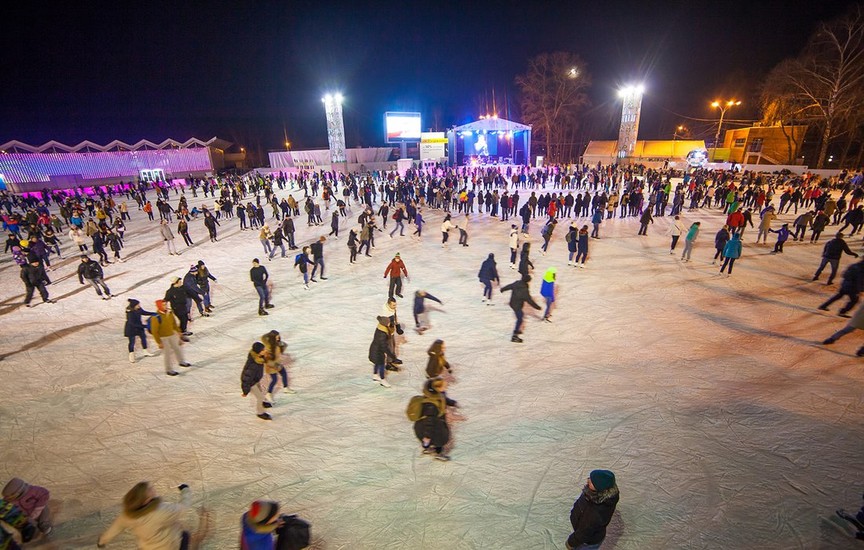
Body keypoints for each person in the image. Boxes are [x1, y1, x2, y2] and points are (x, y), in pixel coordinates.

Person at [97, 482, 204, 549]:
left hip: (147, 547)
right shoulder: (161, 511)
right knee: (185, 534)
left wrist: (102, 541)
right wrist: (185, 490)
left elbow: (115, 529)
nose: (153, 488)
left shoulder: (127, 515)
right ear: (146, 500)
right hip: (170, 545)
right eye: (150, 489)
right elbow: (183, 508)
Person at [565, 470, 620, 550]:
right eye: (589, 478)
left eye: (591, 481)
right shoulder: (592, 493)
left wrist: (571, 542)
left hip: (588, 542)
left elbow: (584, 532)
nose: (588, 480)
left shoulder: (596, 512)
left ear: (599, 487)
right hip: (581, 530)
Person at [411, 377, 456, 461]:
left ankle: (427, 446)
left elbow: (444, 399)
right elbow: (429, 422)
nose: (446, 387)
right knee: (439, 439)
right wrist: (427, 436)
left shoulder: (436, 395)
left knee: (433, 438)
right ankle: (438, 453)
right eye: (443, 386)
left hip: (432, 423)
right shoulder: (431, 406)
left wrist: (452, 403)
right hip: (429, 426)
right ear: (437, 388)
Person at [150, 299, 191, 376]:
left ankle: (181, 361)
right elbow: (154, 331)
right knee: (167, 354)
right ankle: (168, 369)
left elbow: (174, 324)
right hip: (163, 338)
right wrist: (159, 342)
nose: (166, 306)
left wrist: (179, 332)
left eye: (166, 304)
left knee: (177, 348)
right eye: (163, 305)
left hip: (171, 335)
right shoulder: (156, 317)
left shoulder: (170, 313)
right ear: (159, 306)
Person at [501, 274, 542, 343]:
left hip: (512, 303)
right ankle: (514, 336)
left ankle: (517, 331)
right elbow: (530, 301)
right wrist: (537, 307)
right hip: (517, 306)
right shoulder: (525, 291)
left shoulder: (517, 283)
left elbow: (509, 286)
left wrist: (503, 289)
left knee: (521, 316)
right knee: (520, 319)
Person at [241, 341, 273, 420]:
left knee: (261, 391)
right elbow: (246, 378)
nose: (265, 351)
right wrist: (245, 391)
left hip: (255, 380)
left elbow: (266, 359)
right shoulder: (253, 364)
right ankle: (260, 413)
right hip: (251, 383)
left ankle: (263, 402)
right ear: (259, 352)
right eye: (263, 350)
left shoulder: (259, 357)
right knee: (260, 397)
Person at [368, 315, 402, 388]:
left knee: (376, 363)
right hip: (378, 352)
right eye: (389, 322)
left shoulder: (380, 328)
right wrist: (392, 356)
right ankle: (383, 380)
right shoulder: (383, 334)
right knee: (381, 365)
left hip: (374, 349)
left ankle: (375, 375)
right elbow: (384, 347)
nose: (390, 323)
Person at [262, 330, 295, 401]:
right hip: (271, 366)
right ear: (272, 337)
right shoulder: (269, 347)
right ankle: (268, 394)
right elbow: (268, 361)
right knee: (274, 380)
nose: (278, 337)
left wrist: (283, 345)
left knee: (284, 373)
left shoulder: (277, 343)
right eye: (277, 336)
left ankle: (286, 388)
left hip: (277, 363)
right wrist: (275, 366)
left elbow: (281, 349)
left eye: (278, 336)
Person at [125, 299, 157, 363]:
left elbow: (144, 312)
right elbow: (132, 323)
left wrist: (154, 313)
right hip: (131, 328)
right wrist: (144, 326)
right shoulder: (130, 313)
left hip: (139, 327)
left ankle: (145, 351)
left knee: (143, 338)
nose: (139, 305)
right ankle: (131, 355)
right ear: (134, 306)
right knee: (132, 342)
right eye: (138, 305)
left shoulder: (139, 309)